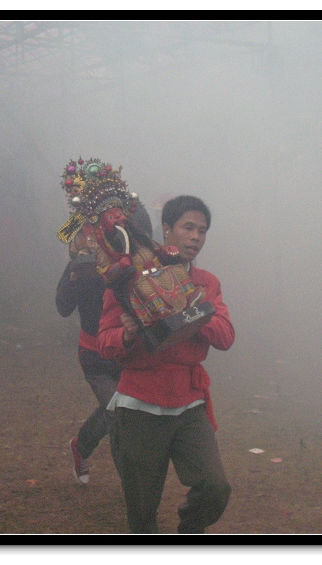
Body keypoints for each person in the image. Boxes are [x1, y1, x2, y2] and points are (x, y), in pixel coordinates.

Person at [98, 195, 235, 534]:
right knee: (142, 512)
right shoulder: (126, 280)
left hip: (189, 404)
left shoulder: (205, 283)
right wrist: (127, 335)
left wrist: (191, 310)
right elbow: (105, 342)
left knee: (215, 487)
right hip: (140, 405)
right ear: (166, 229)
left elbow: (226, 336)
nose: (196, 237)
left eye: (202, 231)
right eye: (188, 228)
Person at [55, 157, 152, 485]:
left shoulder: (134, 258)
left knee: (121, 409)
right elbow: (63, 307)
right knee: (119, 415)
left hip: (128, 349)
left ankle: (81, 446)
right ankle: (136, 491)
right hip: (95, 355)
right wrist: (75, 272)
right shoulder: (82, 264)